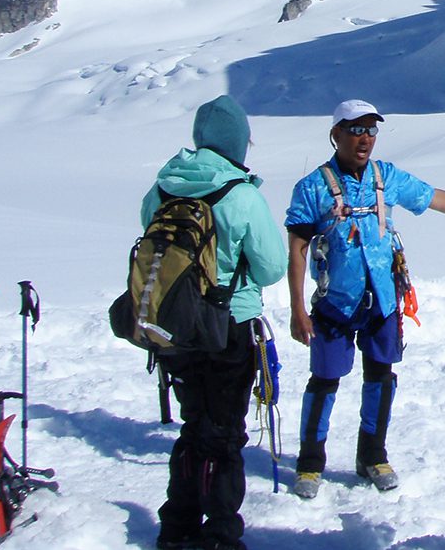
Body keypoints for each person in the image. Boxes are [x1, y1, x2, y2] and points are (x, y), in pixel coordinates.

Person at [286, 98, 445, 498]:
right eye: (356, 129)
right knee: (324, 381)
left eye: (371, 130)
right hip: (334, 303)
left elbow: (430, 196)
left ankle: (372, 456)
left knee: (381, 377)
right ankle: (309, 462)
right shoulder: (311, 188)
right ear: (336, 133)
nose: (365, 139)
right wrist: (296, 309)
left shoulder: (385, 176)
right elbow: (297, 249)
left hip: (383, 299)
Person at [143, 95, 288, 550]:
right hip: (231, 324)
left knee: (193, 423)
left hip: (176, 326)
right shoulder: (241, 194)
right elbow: (271, 268)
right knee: (225, 431)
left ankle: (177, 524)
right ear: (238, 143)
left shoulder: (162, 188)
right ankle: (221, 531)